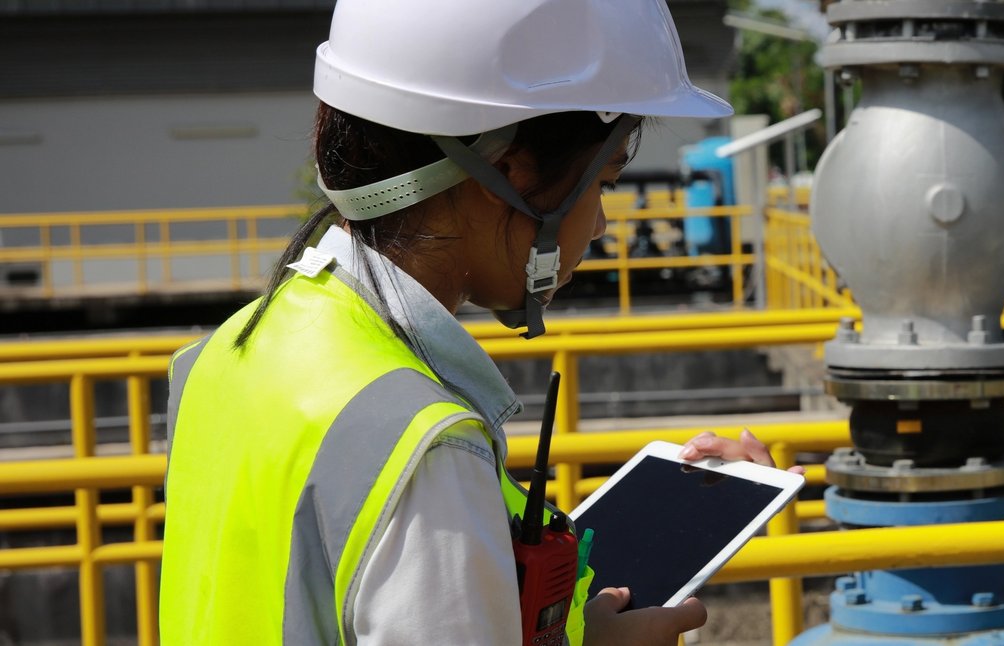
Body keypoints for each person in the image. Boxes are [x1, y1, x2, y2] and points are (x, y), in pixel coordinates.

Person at [157, 0, 771, 643]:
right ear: (507, 172)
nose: (602, 224)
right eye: (604, 185)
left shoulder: (220, 355)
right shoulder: (426, 446)